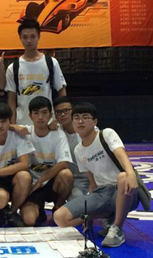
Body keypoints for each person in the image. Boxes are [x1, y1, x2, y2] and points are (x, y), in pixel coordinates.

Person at [54, 102, 141, 248]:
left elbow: (121, 155)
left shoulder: (106, 134)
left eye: (85, 117)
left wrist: (131, 174)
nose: (80, 121)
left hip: (125, 190)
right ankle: (108, 214)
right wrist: (89, 214)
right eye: (76, 118)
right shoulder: (78, 150)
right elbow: (92, 181)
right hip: (102, 193)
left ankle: (117, 228)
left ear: (95, 121)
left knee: (123, 176)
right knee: (60, 217)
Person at [13, 97, 73, 226]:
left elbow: (63, 163)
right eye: (36, 113)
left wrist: (41, 180)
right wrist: (13, 126)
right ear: (30, 116)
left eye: (44, 113)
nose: (40, 117)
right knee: (29, 220)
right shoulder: (24, 131)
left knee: (66, 174)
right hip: (32, 185)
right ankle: (38, 209)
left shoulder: (58, 134)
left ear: (50, 115)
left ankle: (58, 206)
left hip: (50, 182)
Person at [5, 19, 67, 125]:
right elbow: (11, 99)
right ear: (20, 38)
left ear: (39, 36)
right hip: (23, 125)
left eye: (33, 36)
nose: (29, 41)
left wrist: (60, 118)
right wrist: (13, 124)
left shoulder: (51, 63)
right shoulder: (13, 67)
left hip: (48, 124)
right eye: (25, 37)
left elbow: (61, 90)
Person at [53, 96, 90, 200]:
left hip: (88, 178)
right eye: (59, 112)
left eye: (66, 110)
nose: (62, 114)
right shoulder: (55, 132)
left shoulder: (89, 131)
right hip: (67, 177)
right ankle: (58, 205)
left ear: (73, 111)